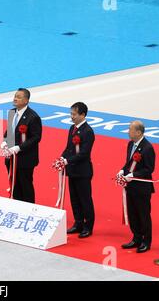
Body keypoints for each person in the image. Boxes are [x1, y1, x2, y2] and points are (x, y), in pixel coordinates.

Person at [118, 121, 155, 253]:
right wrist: (123, 171)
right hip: (130, 186)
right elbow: (128, 163)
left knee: (143, 215)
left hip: (142, 187)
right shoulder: (130, 144)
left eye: (130, 129)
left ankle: (146, 241)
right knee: (133, 213)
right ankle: (136, 238)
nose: (128, 131)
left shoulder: (148, 148)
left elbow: (149, 169)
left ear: (138, 132)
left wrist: (133, 174)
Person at [61, 102, 95, 238]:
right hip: (72, 170)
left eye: (74, 114)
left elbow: (84, 153)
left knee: (85, 199)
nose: (72, 117)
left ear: (83, 115)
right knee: (74, 198)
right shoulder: (72, 128)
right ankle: (78, 223)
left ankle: (88, 226)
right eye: (71, 114)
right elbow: (69, 148)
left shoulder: (88, 132)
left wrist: (67, 160)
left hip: (83, 171)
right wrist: (61, 157)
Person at [1, 88, 42, 203]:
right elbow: (9, 131)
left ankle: (30, 209)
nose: (15, 99)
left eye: (19, 97)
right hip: (11, 157)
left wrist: (19, 147)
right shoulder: (12, 112)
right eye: (15, 96)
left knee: (25, 185)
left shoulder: (33, 117)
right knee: (14, 184)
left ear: (26, 101)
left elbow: (36, 138)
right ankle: (17, 206)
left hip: (25, 159)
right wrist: (5, 141)